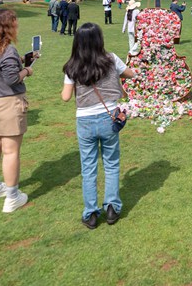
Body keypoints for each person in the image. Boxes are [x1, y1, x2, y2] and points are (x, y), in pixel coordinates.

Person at [61, 23, 136, 229]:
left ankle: (91, 213)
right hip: (109, 117)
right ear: (99, 40)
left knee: (88, 168)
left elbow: (66, 97)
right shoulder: (111, 59)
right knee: (111, 163)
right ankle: (112, 206)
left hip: (84, 120)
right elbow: (131, 74)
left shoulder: (72, 66)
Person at [0, 9, 35, 213]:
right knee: (11, 151)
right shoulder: (7, 50)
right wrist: (27, 70)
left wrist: (20, 61)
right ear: (6, 26)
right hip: (8, 104)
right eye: (14, 22)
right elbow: (12, 78)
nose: (17, 26)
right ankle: (12, 196)